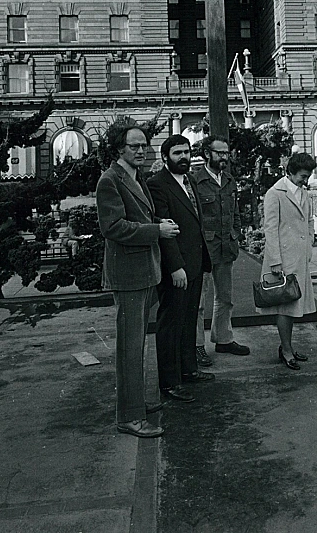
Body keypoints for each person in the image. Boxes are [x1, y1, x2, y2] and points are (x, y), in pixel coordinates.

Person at [96, 125, 180, 439]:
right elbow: (113, 227)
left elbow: (140, 218)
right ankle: (129, 417)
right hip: (129, 275)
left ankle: (137, 404)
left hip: (145, 271)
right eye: (134, 146)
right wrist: (156, 232)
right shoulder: (110, 180)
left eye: (144, 145)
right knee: (130, 349)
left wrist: (158, 223)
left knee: (138, 345)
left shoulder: (135, 176)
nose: (141, 151)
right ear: (120, 149)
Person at [148, 135, 214, 404]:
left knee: (189, 321)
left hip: (195, 264)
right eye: (177, 153)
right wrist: (175, 266)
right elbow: (166, 232)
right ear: (165, 157)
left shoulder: (188, 181)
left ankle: (188, 370)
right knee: (171, 324)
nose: (184, 157)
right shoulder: (158, 185)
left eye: (186, 152)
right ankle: (169, 382)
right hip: (177, 269)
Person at [192, 136, 250, 366]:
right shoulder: (196, 181)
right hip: (204, 249)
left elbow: (235, 212)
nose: (224, 157)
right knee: (198, 301)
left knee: (225, 297)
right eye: (219, 153)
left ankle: (223, 339)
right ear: (207, 154)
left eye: (226, 153)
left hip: (226, 247)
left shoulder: (229, 180)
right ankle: (197, 345)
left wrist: (236, 233)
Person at [257, 151, 317, 370]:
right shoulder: (276, 193)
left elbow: (309, 220)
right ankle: (286, 350)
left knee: (294, 305)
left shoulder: (303, 193)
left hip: (299, 256)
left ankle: (287, 347)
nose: (305, 180)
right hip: (282, 258)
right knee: (285, 306)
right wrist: (274, 259)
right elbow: (270, 228)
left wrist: (309, 243)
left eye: (308, 176)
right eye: (302, 176)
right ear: (290, 172)